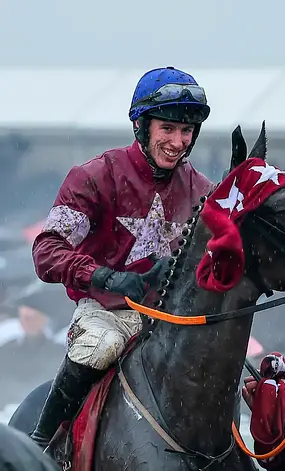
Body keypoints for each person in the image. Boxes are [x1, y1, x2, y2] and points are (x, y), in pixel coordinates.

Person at [28, 66, 214, 450]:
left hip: (170, 321)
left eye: (186, 130)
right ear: (141, 127)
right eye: (167, 128)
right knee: (102, 345)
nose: (178, 141)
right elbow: (46, 251)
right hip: (105, 313)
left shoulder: (202, 191)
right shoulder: (94, 176)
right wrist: (105, 277)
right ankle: (43, 444)